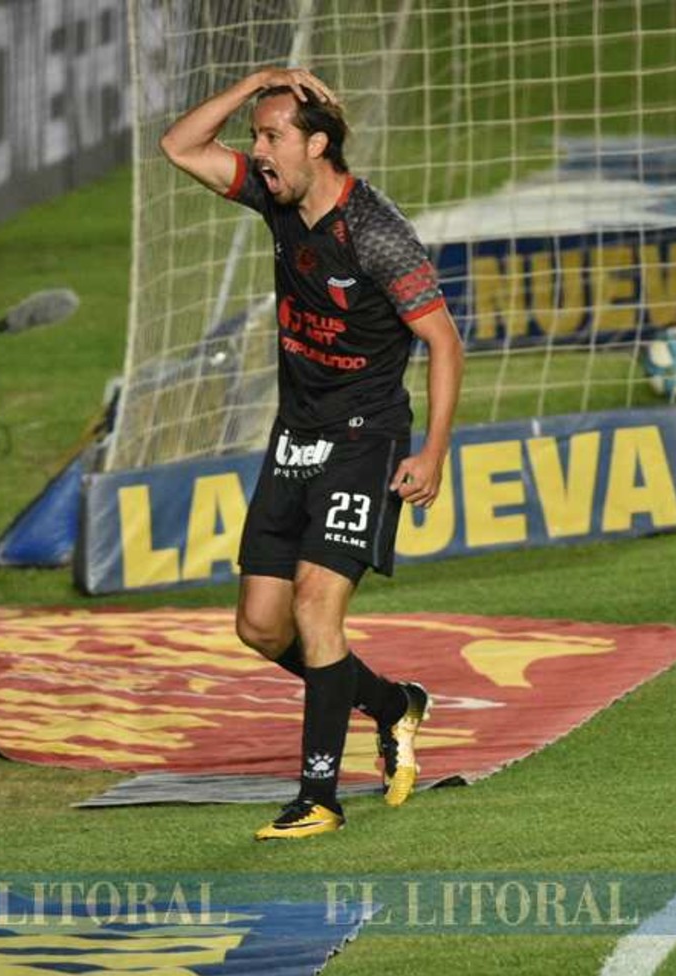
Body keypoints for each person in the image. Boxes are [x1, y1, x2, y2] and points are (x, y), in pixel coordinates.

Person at [160, 66, 465, 841]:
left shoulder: (376, 233)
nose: (257, 151)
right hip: (295, 436)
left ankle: (318, 797)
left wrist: (432, 452)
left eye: (272, 136)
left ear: (317, 144)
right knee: (261, 628)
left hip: (365, 439)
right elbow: (179, 146)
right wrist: (258, 82)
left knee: (314, 603)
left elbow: (443, 341)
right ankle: (393, 704)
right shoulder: (275, 197)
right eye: (256, 137)